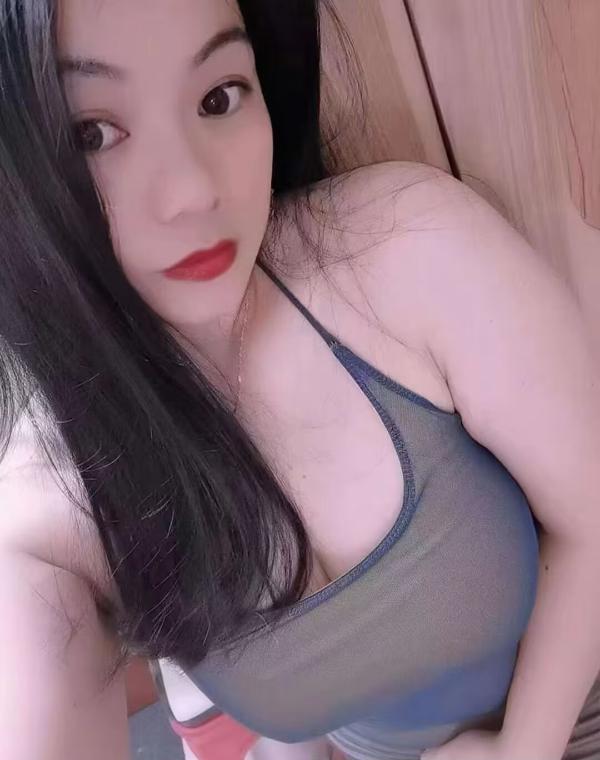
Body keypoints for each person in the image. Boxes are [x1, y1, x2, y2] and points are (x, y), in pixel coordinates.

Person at [1, 1, 600, 759]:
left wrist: (522, 752)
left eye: (218, 97)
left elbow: (592, 518)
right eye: (92, 133)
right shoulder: (48, 518)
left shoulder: (407, 249)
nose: (193, 191)